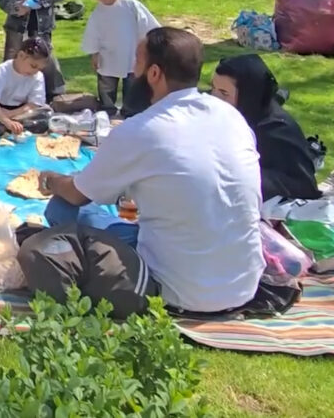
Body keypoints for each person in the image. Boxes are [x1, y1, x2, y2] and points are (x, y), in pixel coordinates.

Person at [21, 27, 265, 317]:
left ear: (154, 74)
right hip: (244, 284)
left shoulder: (142, 130)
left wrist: (50, 180)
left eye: (136, 62)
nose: (131, 70)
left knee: (61, 210)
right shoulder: (230, 116)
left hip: (178, 289)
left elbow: (76, 195)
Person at [212, 55, 321, 201]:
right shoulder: (227, 112)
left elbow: (305, 186)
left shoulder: (276, 130)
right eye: (213, 88)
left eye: (224, 93)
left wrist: (244, 174)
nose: (213, 98)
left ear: (248, 96)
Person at [80, 0, 159, 116]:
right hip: (108, 55)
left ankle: (130, 110)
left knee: (132, 83)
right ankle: (107, 110)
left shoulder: (130, 4)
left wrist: (147, 47)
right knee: (106, 85)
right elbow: (93, 34)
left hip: (131, 52)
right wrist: (94, 53)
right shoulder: (98, 13)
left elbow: (145, 23)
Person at [0, 38, 52, 134]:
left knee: (47, 114)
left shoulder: (38, 76)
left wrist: (10, 114)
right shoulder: (1, 71)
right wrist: (5, 120)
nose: (35, 71)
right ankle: (9, 126)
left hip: (20, 112)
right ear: (21, 55)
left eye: (39, 68)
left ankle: (0, 127)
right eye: (33, 66)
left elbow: (33, 104)